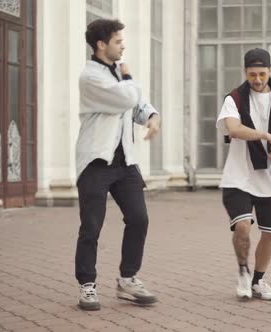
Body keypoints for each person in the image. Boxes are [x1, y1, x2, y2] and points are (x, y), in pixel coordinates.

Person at [74, 18, 160, 311]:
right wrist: (130, 76)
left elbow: (139, 104)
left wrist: (151, 117)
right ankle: (87, 285)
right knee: (91, 227)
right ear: (101, 44)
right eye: (118, 41)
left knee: (139, 219)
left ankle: (127, 280)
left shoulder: (120, 75)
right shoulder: (91, 77)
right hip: (96, 162)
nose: (123, 45)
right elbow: (127, 98)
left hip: (126, 161)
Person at [216, 48, 271, 301]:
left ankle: (258, 281)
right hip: (238, 176)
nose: (257, 79)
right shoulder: (234, 99)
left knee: (270, 233)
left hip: (269, 178)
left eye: (262, 73)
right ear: (245, 73)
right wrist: (265, 135)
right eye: (252, 74)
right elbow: (234, 129)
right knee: (242, 227)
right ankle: (242, 271)